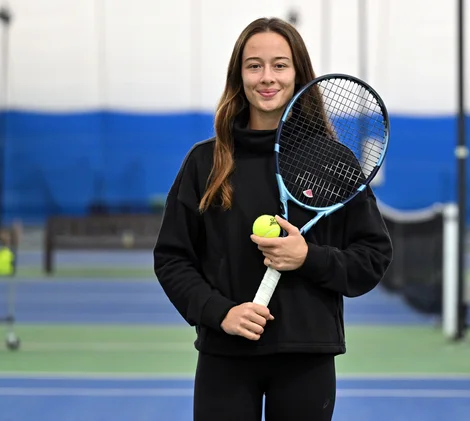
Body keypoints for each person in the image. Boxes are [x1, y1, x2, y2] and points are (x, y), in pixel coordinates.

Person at [153, 16, 393, 421]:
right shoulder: (204, 162)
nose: (267, 77)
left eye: (280, 65)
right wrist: (220, 312)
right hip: (224, 355)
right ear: (239, 75)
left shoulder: (334, 161)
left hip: (306, 357)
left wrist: (308, 257)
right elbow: (172, 258)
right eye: (254, 65)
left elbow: (372, 257)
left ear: (298, 73)